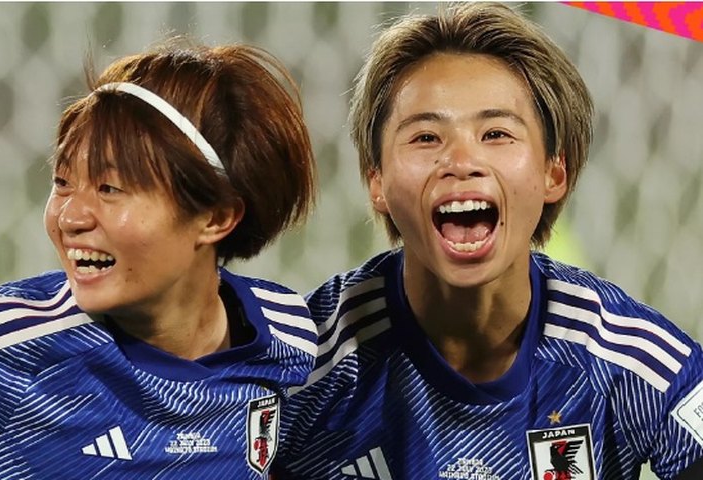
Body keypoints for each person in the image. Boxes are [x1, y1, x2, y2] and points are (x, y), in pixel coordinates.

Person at [273, 3, 703, 480]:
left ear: (552, 173)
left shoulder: (628, 359)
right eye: (425, 137)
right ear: (376, 181)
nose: (461, 160)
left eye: (496, 133)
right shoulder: (298, 369)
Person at [0, 38, 318, 479]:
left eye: (109, 189)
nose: (70, 216)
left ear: (216, 217)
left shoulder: (290, 336)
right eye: (62, 181)